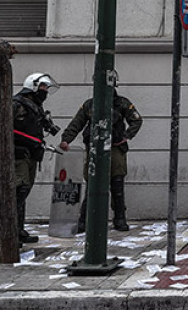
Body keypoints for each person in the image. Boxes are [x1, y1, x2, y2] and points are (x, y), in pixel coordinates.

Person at [59, 79, 143, 232]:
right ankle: (85, 220)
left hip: (115, 147)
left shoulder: (122, 103)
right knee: (92, 184)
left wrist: (126, 136)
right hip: (94, 148)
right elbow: (77, 123)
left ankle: (120, 219)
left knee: (117, 183)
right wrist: (66, 139)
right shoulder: (90, 104)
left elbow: (136, 120)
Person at [0, 73, 59, 244]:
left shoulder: (35, 106)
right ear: (33, 86)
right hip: (18, 156)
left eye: (47, 88)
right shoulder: (17, 104)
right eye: (43, 87)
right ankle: (7, 233)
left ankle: (18, 230)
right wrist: (11, 148)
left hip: (31, 155)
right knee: (18, 191)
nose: (45, 91)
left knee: (24, 191)